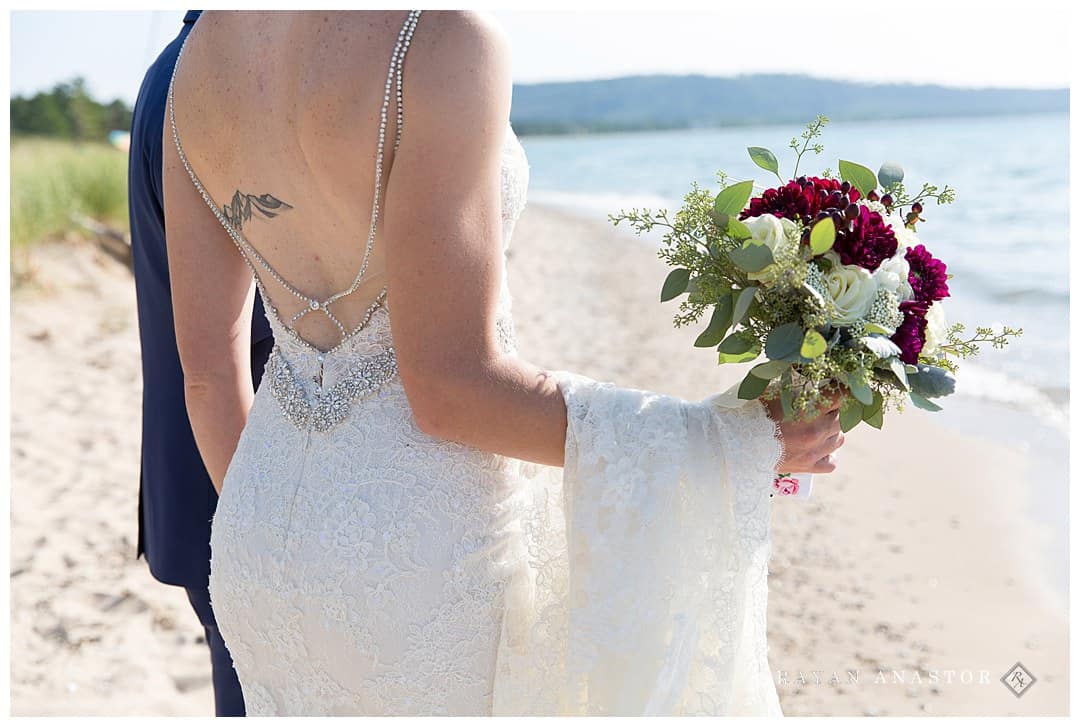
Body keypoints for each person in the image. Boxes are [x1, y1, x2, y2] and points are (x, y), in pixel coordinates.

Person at [162, 10, 844, 716]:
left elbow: (207, 375)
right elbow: (450, 387)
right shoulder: (444, 36)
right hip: (419, 558)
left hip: (256, 534)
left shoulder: (194, 64)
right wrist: (721, 441)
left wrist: (288, 540)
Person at [128, 9, 272, 716]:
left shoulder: (170, 71)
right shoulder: (219, 77)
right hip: (240, 481)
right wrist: (271, 532)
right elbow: (216, 362)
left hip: (197, 480)